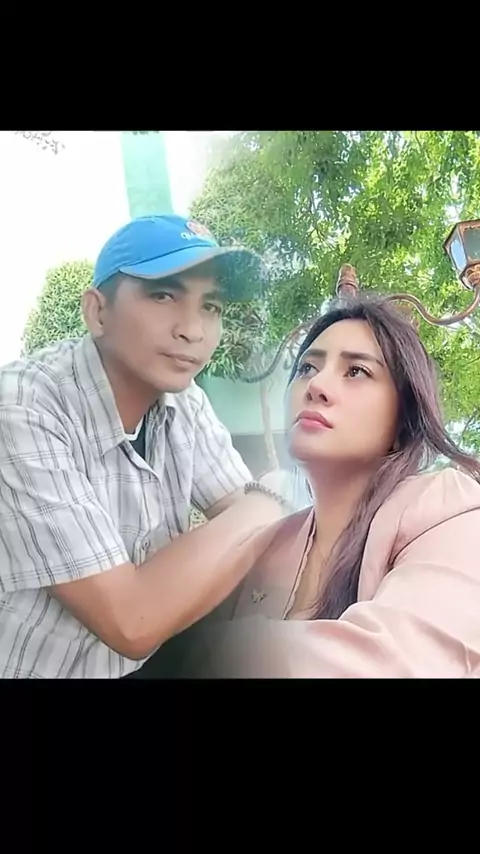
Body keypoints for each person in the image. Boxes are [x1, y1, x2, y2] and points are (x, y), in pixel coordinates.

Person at [0, 213, 289, 679]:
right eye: (163, 295)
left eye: (211, 306)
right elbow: (130, 621)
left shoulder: (185, 402)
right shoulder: (22, 407)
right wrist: (271, 497)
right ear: (98, 312)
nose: (193, 330)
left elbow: (255, 528)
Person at [182, 295, 480, 678]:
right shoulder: (269, 544)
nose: (317, 385)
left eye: (356, 371)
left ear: (403, 420)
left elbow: (397, 663)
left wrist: (200, 652)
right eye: (307, 367)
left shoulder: (448, 513)